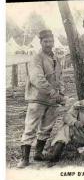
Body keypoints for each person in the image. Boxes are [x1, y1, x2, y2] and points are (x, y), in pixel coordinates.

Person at [17, 29, 65, 168]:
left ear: (53, 42)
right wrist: (52, 91)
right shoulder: (36, 57)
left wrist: (60, 92)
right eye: (45, 41)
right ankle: (24, 158)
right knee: (30, 127)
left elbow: (59, 77)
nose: (48, 44)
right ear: (41, 42)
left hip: (52, 100)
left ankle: (38, 153)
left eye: (50, 41)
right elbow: (37, 78)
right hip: (37, 98)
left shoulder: (55, 58)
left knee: (46, 128)